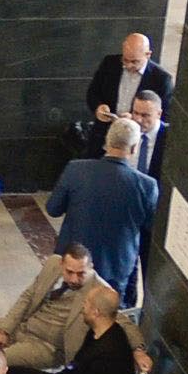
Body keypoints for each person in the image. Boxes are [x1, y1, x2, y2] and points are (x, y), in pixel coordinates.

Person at [44, 121, 158, 298]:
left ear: (107, 141)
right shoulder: (147, 185)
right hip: (116, 267)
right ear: (134, 147)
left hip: (73, 263)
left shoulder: (76, 169)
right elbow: (151, 226)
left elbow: (53, 209)